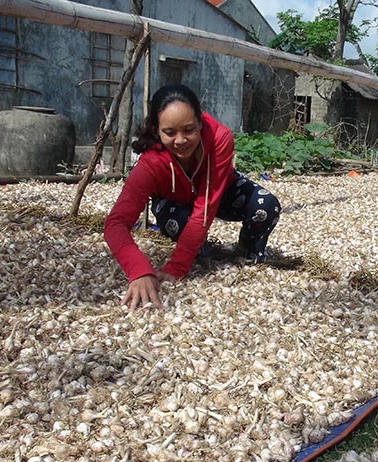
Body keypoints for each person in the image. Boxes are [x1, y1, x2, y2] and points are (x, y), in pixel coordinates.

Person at [103, 84, 282, 310]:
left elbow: (204, 209)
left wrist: (176, 267)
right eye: (169, 133)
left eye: (189, 130)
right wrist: (139, 270)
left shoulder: (220, 138)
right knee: (178, 225)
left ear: (200, 122)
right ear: (156, 130)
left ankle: (245, 250)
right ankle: (203, 250)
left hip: (220, 191)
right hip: (176, 205)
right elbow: (115, 223)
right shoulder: (150, 164)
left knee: (266, 206)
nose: (180, 141)